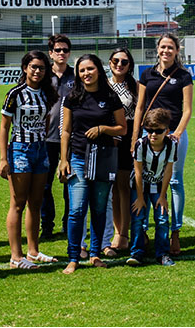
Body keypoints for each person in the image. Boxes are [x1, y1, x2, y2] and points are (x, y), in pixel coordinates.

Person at [59, 54, 127, 274]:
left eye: (90, 69)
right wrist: (63, 159)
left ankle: (96, 254)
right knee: (76, 209)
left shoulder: (110, 96)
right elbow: (66, 131)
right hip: (78, 157)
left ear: (98, 70)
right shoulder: (72, 97)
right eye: (81, 70)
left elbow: (122, 128)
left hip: (103, 159)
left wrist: (103, 129)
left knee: (98, 209)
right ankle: (73, 256)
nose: (86, 74)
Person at [132, 32, 193, 256]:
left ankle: (174, 233)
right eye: (162, 47)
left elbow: (187, 110)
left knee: (174, 181)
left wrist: (176, 133)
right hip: (149, 136)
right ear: (157, 49)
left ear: (177, 51)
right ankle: (145, 232)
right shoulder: (146, 74)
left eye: (170, 47)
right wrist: (135, 135)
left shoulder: (183, 76)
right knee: (147, 181)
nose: (166, 51)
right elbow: (140, 107)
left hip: (174, 135)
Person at [0, 51, 59, 269]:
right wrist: (4, 158)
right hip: (20, 150)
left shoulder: (46, 93)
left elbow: (47, 118)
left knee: (36, 202)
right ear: (25, 68)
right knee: (18, 203)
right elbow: (4, 125)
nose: (37, 71)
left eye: (41, 68)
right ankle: (16, 256)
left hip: (41, 149)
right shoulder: (15, 93)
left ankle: (33, 251)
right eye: (33, 67)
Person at [126, 108, 177, 267]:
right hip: (139, 186)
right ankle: (137, 252)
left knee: (162, 218)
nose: (153, 134)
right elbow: (138, 172)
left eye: (158, 131)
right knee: (138, 218)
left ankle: (162, 253)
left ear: (167, 131)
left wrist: (163, 196)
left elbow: (168, 171)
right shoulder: (141, 144)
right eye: (149, 130)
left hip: (159, 186)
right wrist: (140, 198)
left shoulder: (171, 145)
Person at [42, 34, 75, 239]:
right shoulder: (43, 75)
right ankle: (47, 225)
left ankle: (68, 223)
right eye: (57, 50)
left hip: (71, 138)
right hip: (46, 138)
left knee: (70, 181)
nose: (61, 53)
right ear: (50, 53)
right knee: (45, 184)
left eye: (65, 50)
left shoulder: (77, 75)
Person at [108, 47, 138, 255]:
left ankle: (124, 234)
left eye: (124, 62)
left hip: (127, 137)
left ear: (129, 66)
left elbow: (139, 113)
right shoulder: (103, 85)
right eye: (116, 61)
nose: (119, 65)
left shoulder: (134, 86)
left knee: (124, 187)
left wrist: (135, 140)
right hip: (108, 138)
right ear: (109, 62)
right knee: (112, 189)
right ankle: (116, 231)